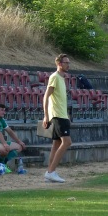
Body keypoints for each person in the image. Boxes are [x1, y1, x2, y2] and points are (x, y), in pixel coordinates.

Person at [42, 53, 73, 183]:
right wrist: (46, 115)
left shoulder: (62, 78)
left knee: (56, 144)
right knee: (67, 142)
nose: (68, 65)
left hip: (62, 115)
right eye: (66, 62)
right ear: (59, 64)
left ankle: (50, 171)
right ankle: (51, 172)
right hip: (57, 115)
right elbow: (46, 96)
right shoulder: (54, 77)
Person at [0, 103, 27, 173]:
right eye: (2, 110)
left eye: (4, 110)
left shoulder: (1, 119)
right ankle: (1, 164)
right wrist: (5, 144)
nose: (4, 112)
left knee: (19, 147)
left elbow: (9, 131)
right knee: (5, 149)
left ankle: (4, 162)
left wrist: (19, 141)